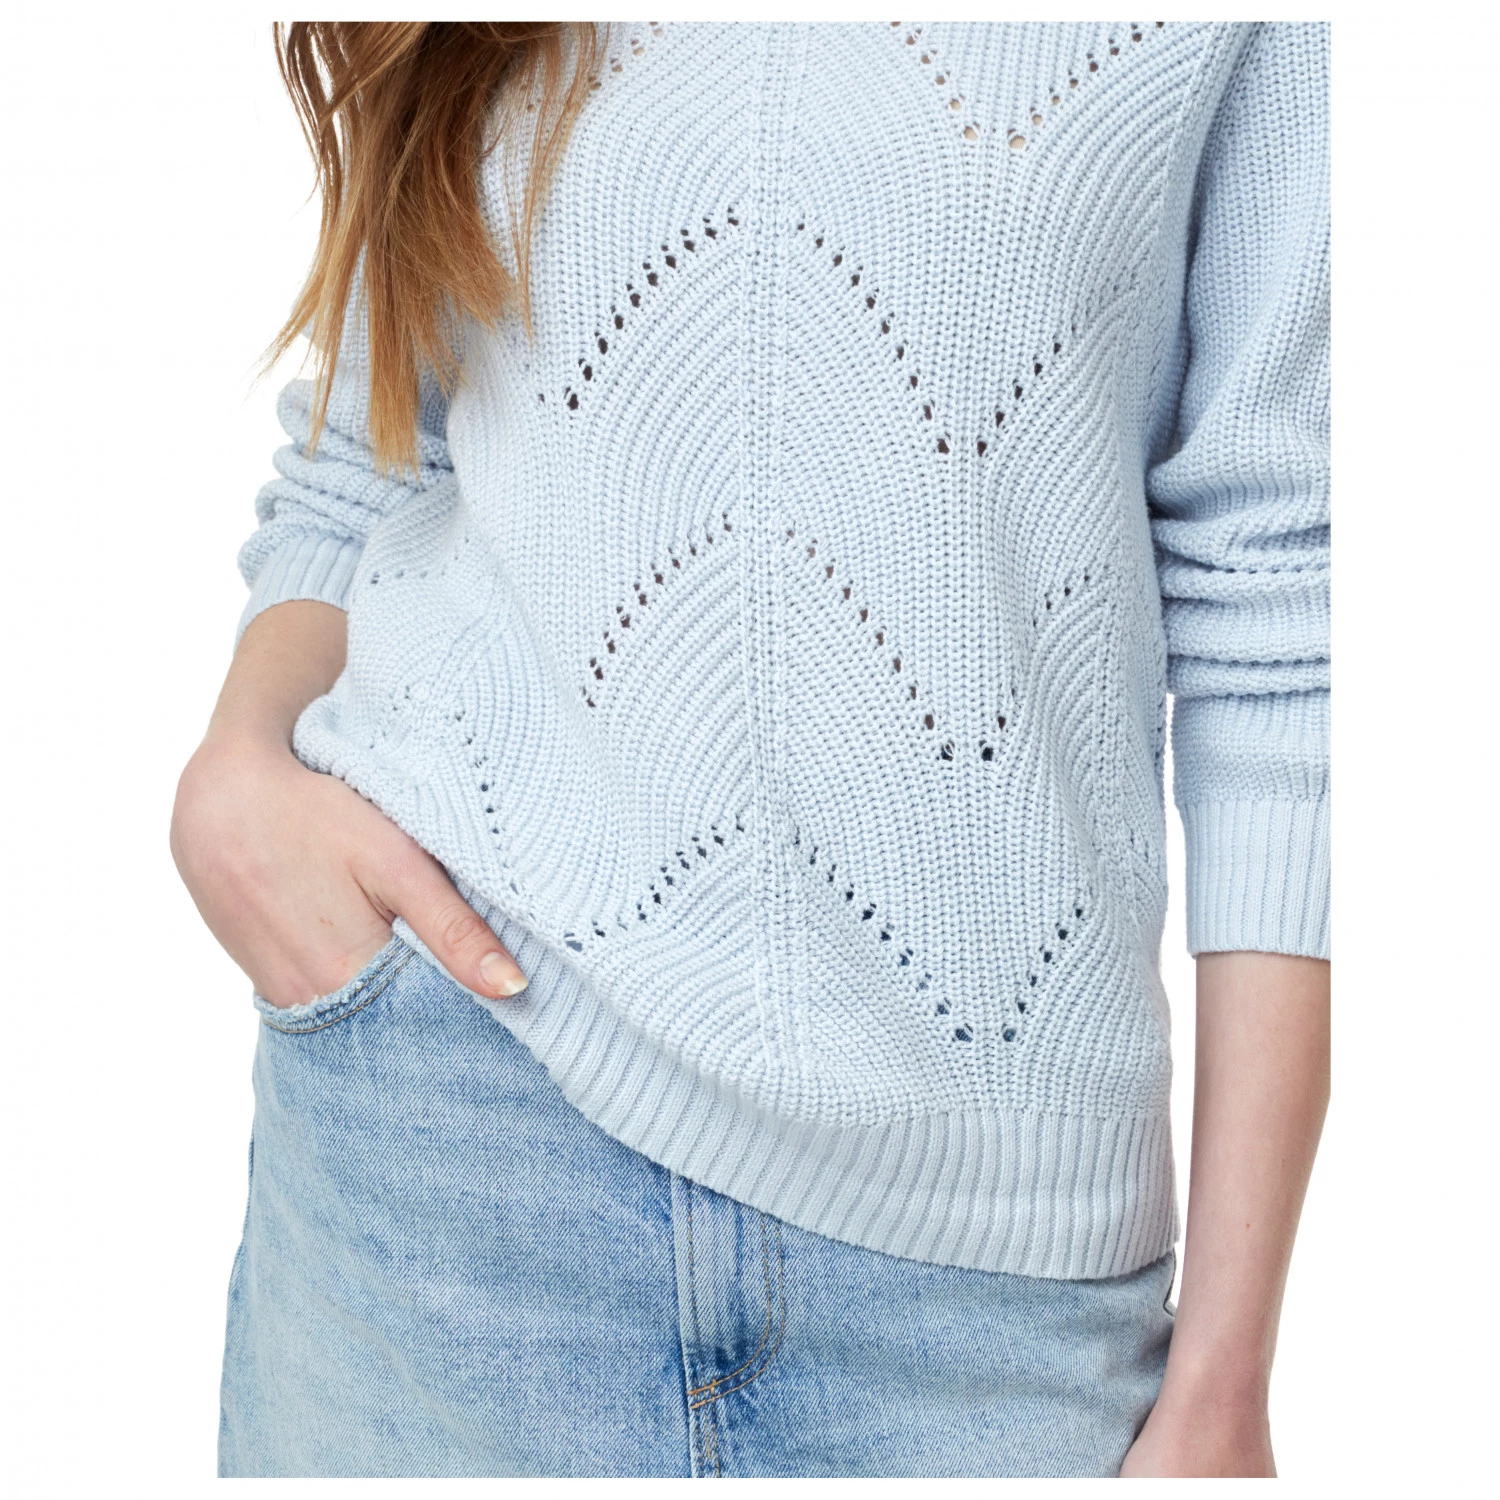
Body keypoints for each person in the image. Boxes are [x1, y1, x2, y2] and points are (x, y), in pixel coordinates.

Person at [171, 19, 1331, 1479]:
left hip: (985, 1279)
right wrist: (237, 765)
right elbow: (366, 455)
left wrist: (1227, 1370)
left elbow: (1282, 603)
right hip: (442, 1148)